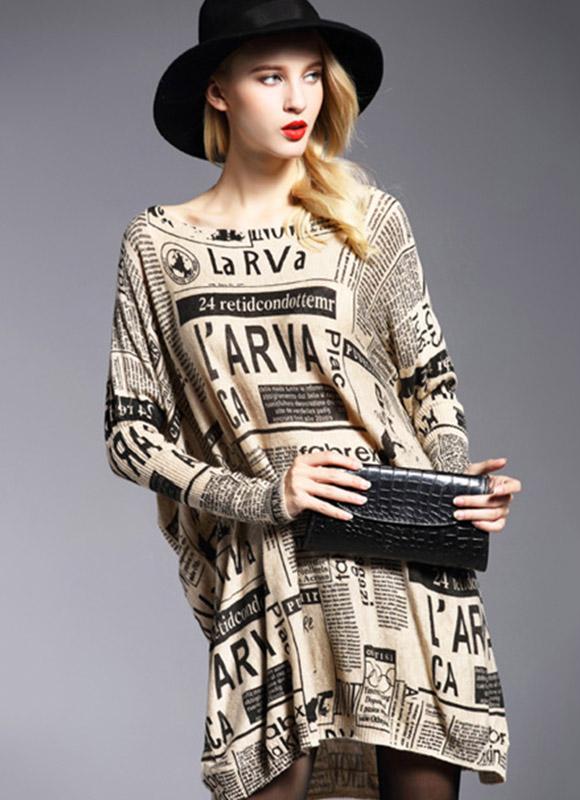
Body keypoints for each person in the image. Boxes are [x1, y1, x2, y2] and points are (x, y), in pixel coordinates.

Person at [104, 1, 521, 798]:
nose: (299, 100)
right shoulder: (157, 244)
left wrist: (456, 487)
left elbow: (428, 381)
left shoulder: (369, 220)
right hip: (268, 560)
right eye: (270, 77)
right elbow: (130, 432)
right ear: (219, 91)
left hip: (398, 549)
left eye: (312, 76)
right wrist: (264, 496)